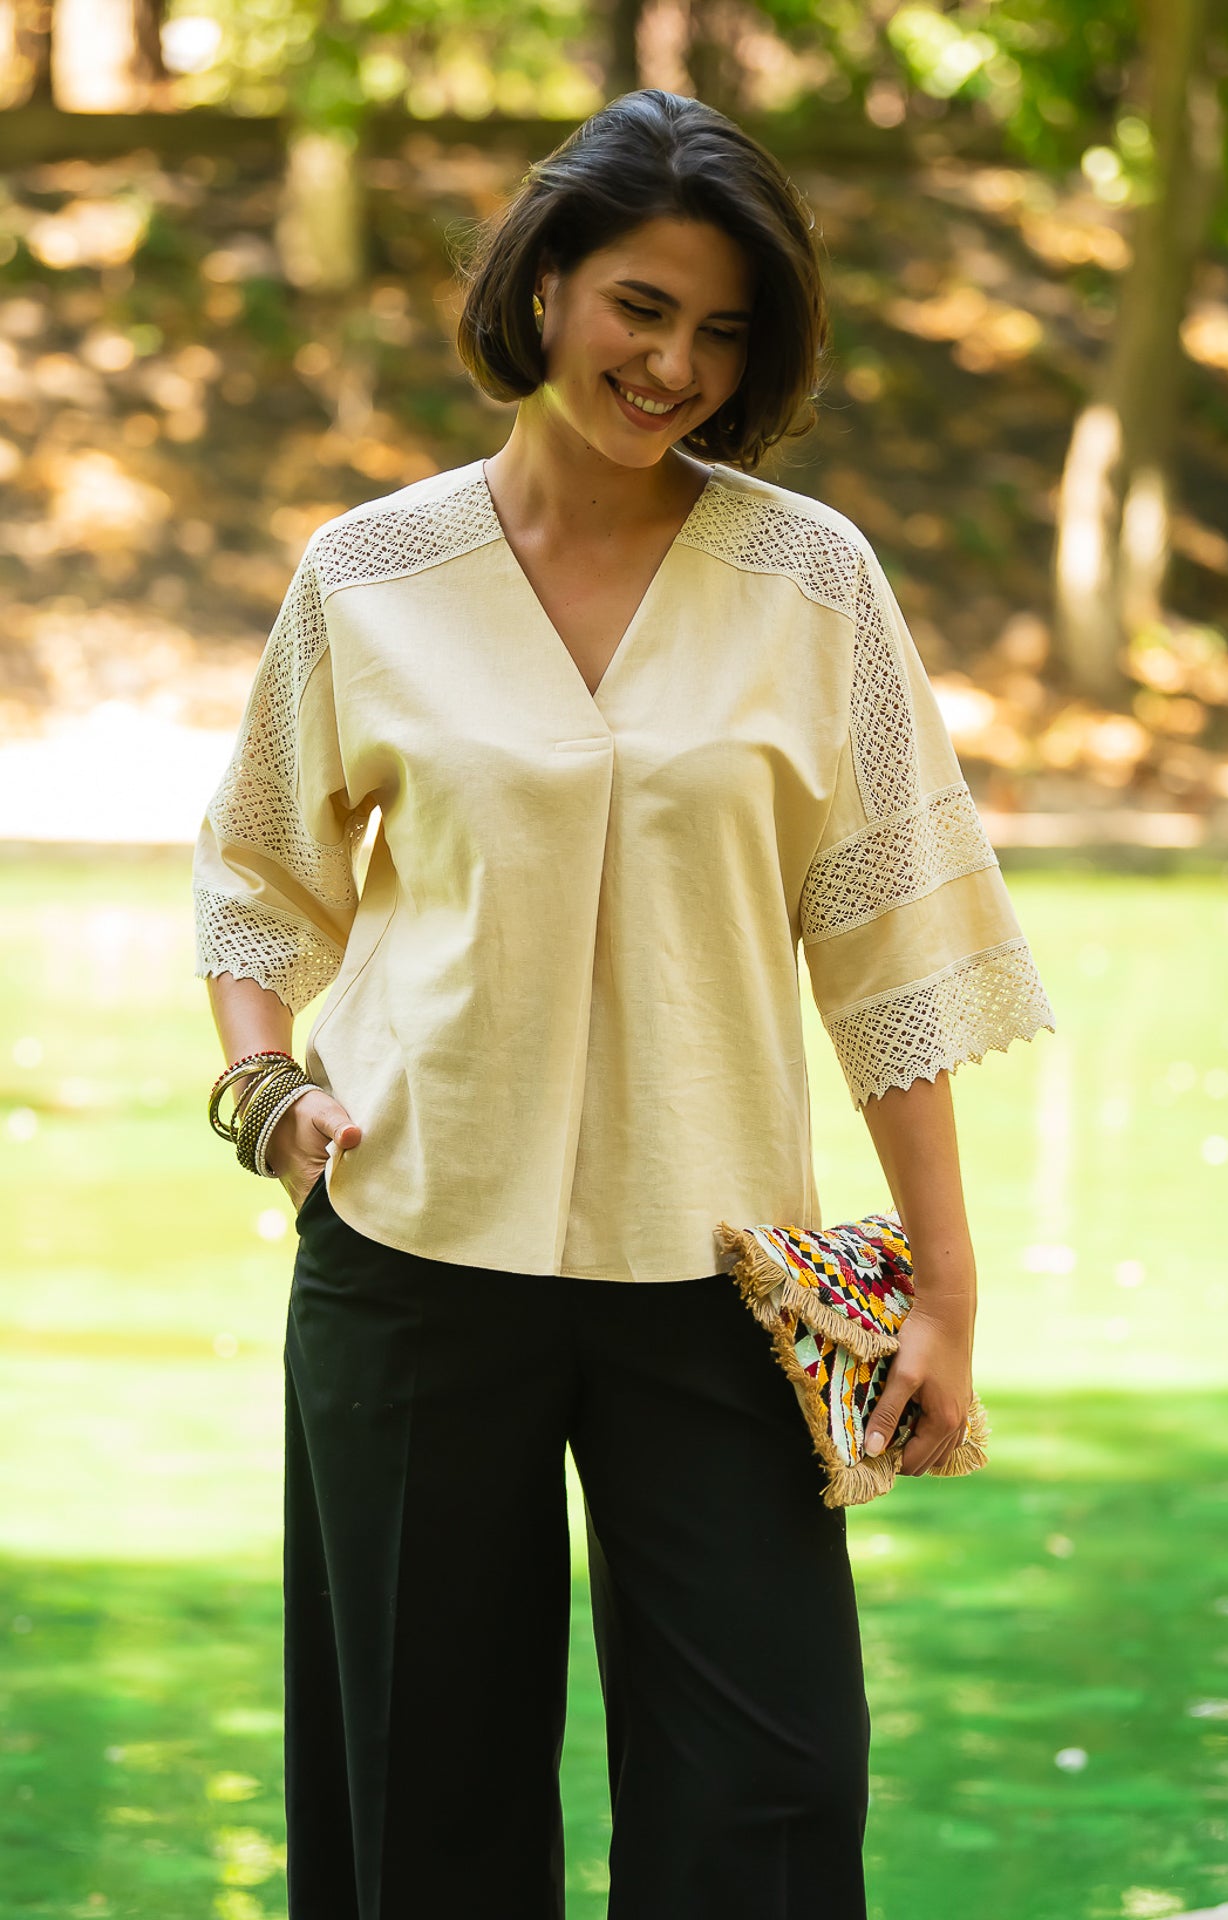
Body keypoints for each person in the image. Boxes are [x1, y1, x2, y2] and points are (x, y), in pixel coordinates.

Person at [193, 87, 1055, 1920]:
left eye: (722, 331)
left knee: (772, 1794)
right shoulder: (367, 573)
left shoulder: (812, 580)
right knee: (418, 1808)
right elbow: (257, 878)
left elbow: (892, 948)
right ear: (544, 287)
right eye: (640, 307)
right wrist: (269, 1098)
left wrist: (948, 1296)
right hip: (414, 1255)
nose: (674, 366)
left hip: (717, 1272)